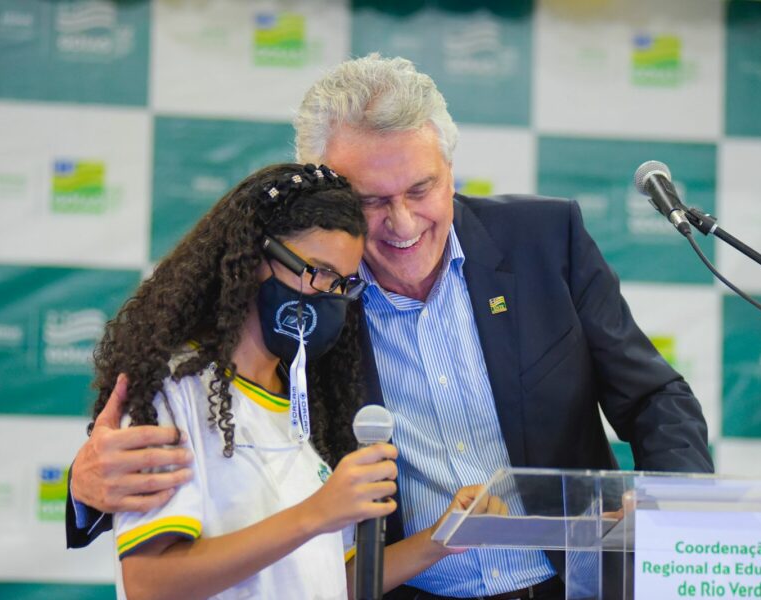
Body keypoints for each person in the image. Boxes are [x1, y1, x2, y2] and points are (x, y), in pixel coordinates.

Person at [68, 56, 713, 599]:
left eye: (421, 189)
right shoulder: (305, 298)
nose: (402, 224)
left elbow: (654, 395)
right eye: (372, 201)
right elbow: (198, 404)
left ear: (451, 169)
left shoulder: (548, 240)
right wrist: (86, 487)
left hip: (574, 584)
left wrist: (677, 511)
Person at [87, 162, 485, 600]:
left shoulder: (306, 402)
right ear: (255, 258)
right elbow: (150, 584)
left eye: (343, 284)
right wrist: (316, 512)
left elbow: (332, 582)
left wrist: (440, 539)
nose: (330, 296)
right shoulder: (174, 389)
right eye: (317, 271)